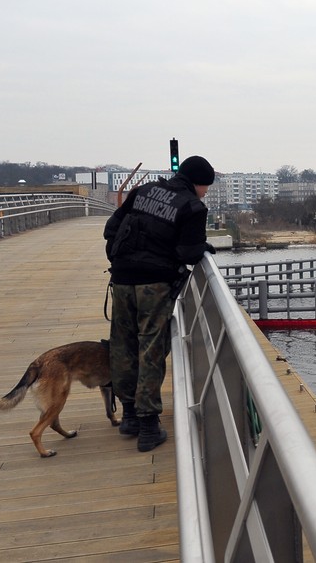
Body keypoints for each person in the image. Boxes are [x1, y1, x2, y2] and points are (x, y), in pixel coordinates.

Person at [103, 155, 216, 451]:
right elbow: (189, 252)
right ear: (197, 183)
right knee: (151, 347)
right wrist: (202, 245)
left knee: (122, 343)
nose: (205, 192)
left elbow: (111, 228)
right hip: (154, 283)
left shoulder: (144, 191)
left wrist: (120, 260)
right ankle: (149, 426)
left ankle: (128, 415)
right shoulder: (193, 207)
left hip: (123, 278)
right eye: (206, 186)